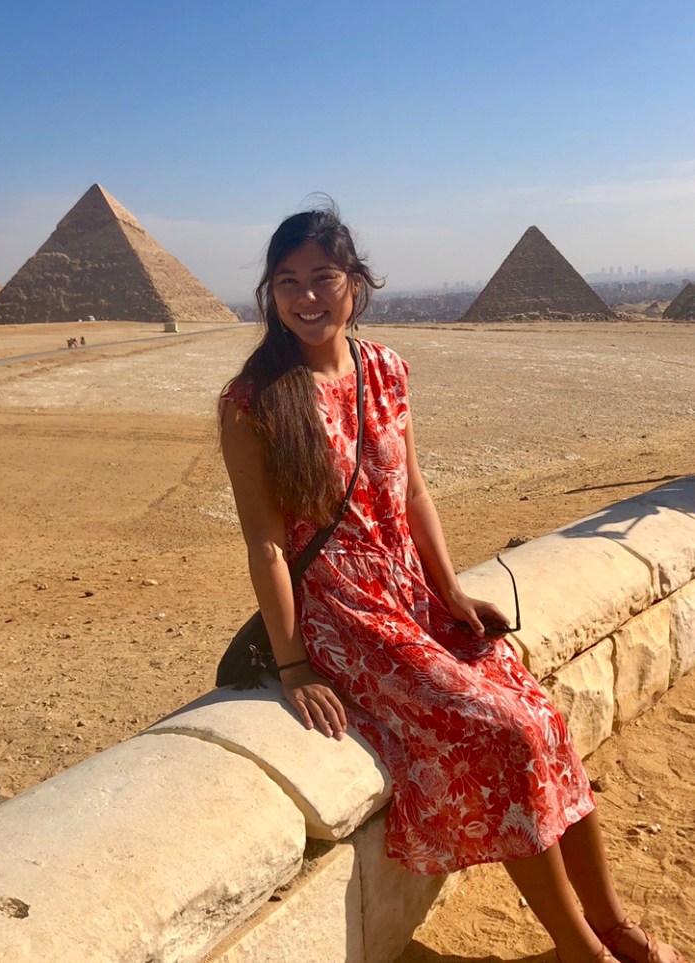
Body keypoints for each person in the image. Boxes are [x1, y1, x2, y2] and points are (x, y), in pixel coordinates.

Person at [220, 204, 687, 963]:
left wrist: (453, 592)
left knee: (542, 716)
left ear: (355, 283)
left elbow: (412, 494)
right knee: (504, 731)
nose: (306, 297)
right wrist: (296, 663)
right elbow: (268, 545)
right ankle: (580, 949)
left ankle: (612, 923)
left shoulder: (387, 370)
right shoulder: (253, 402)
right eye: (287, 281)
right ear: (269, 292)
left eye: (323, 277)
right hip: (345, 614)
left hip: (412, 595)